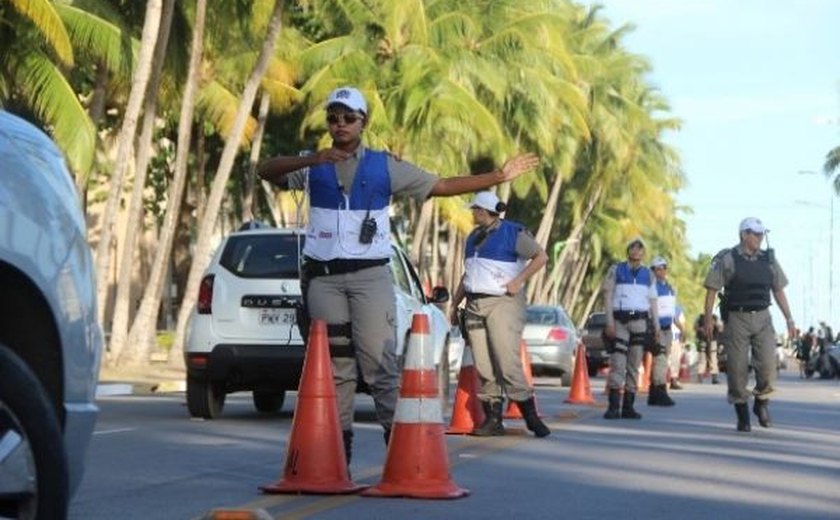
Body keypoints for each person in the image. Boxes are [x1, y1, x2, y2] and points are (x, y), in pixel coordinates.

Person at [257, 86, 540, 466]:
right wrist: (309, 160)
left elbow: (440, 186)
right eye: (333, 118)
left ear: (363, 123)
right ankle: (339, 453)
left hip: (369, 278)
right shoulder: (311, 165)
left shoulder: (384, 166)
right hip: (324, 279)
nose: (340, 124)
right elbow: (264, 170)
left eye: (348, 117)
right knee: (335, 366)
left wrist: (498, 174)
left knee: (380, 365)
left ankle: (402, 452)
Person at [449, 191, 550, 438]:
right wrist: (455, 303)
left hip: (503, 303)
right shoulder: (473, 237)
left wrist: (518, 281)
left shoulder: (513, 232)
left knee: (506, 361)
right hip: (475, 304)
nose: (472, 213)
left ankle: (530, 415)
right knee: (483, 364)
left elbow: (541, 256)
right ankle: (493, 418)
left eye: (475, 210)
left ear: (484, 211)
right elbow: (469, 274)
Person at [702, 217, 796, 432]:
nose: (759, 238)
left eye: (762, 234)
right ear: (744, 234)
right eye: (755, 233)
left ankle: (761, 402)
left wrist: (789, 319)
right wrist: (708, 318)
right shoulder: (728, 258)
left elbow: (779, 289)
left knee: (768, 367)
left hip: (763, 317)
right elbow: (712, 289)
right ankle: (742, 412)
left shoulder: (768, 260)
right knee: (736, 369)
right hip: (737, 318)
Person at [602, 237, 660, 420]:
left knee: (634, 364)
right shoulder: (616, 270)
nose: (636, 252)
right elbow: (608, 295)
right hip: (620, 321)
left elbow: (653, 302)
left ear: (643, 253)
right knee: (618, 363)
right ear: (628, 251)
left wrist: (656, 326)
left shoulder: (648, 275)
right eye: (633, 249)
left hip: (640, 322)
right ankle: (613, 407)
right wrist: (609, 322)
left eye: (639, 249)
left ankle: (628, 406)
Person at [648, 256, 680, 406]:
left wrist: (679, 327)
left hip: (668, 329)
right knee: (660, 360)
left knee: (663, 360)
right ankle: (659, 390)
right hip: (657, 328)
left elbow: (672, 311)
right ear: (652, 270)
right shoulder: (652, 287)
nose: (661, 271)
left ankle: (654, 394)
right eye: (658, 268)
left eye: (664, 268)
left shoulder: (669, 287)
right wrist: (656, 328)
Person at [694, 313, 721, 384]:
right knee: (711, 359)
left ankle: (701, 378)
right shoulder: (713, 317)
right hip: (707, 341)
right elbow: (720, 328)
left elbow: (695, 328)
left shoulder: (701, 318)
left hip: (709, 341)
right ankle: (712, 378)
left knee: (707, 359)